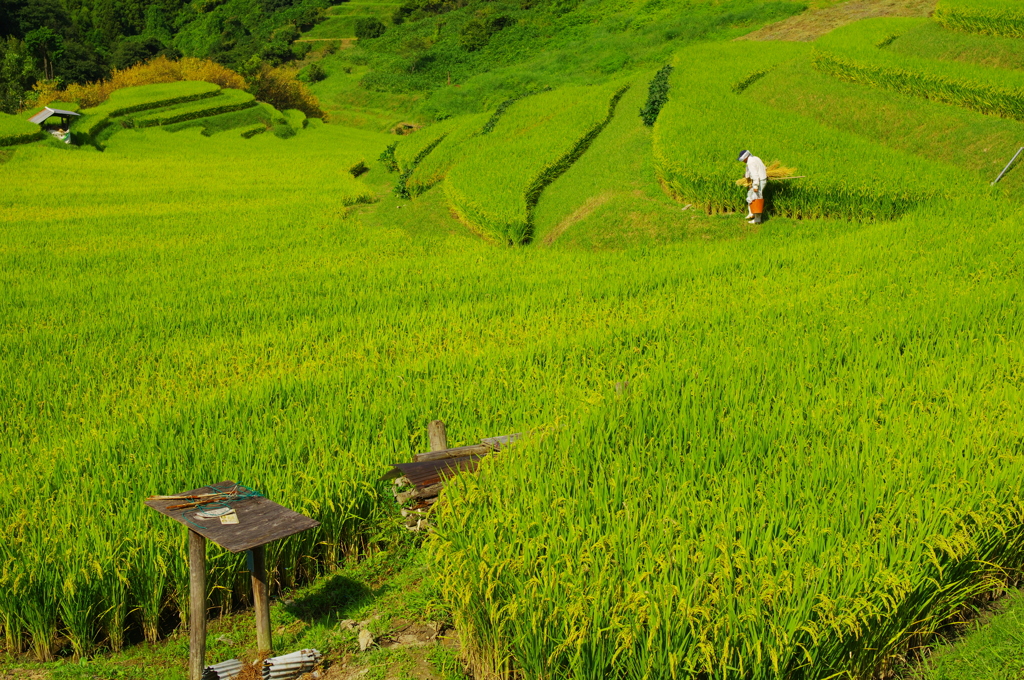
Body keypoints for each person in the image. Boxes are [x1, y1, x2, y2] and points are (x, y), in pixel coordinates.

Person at [738, 149, 767, 224]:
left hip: (759, 181)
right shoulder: (756, 158)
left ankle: (757, 219)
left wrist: (755, 186)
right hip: (761, 179)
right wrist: (747, 176)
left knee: (756, 199)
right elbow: (764, 168)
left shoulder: (751, 162)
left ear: (745, 157)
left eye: (743, 159)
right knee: (750, 195)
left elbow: (755, 175)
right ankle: (751, 213)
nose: (743, 161)